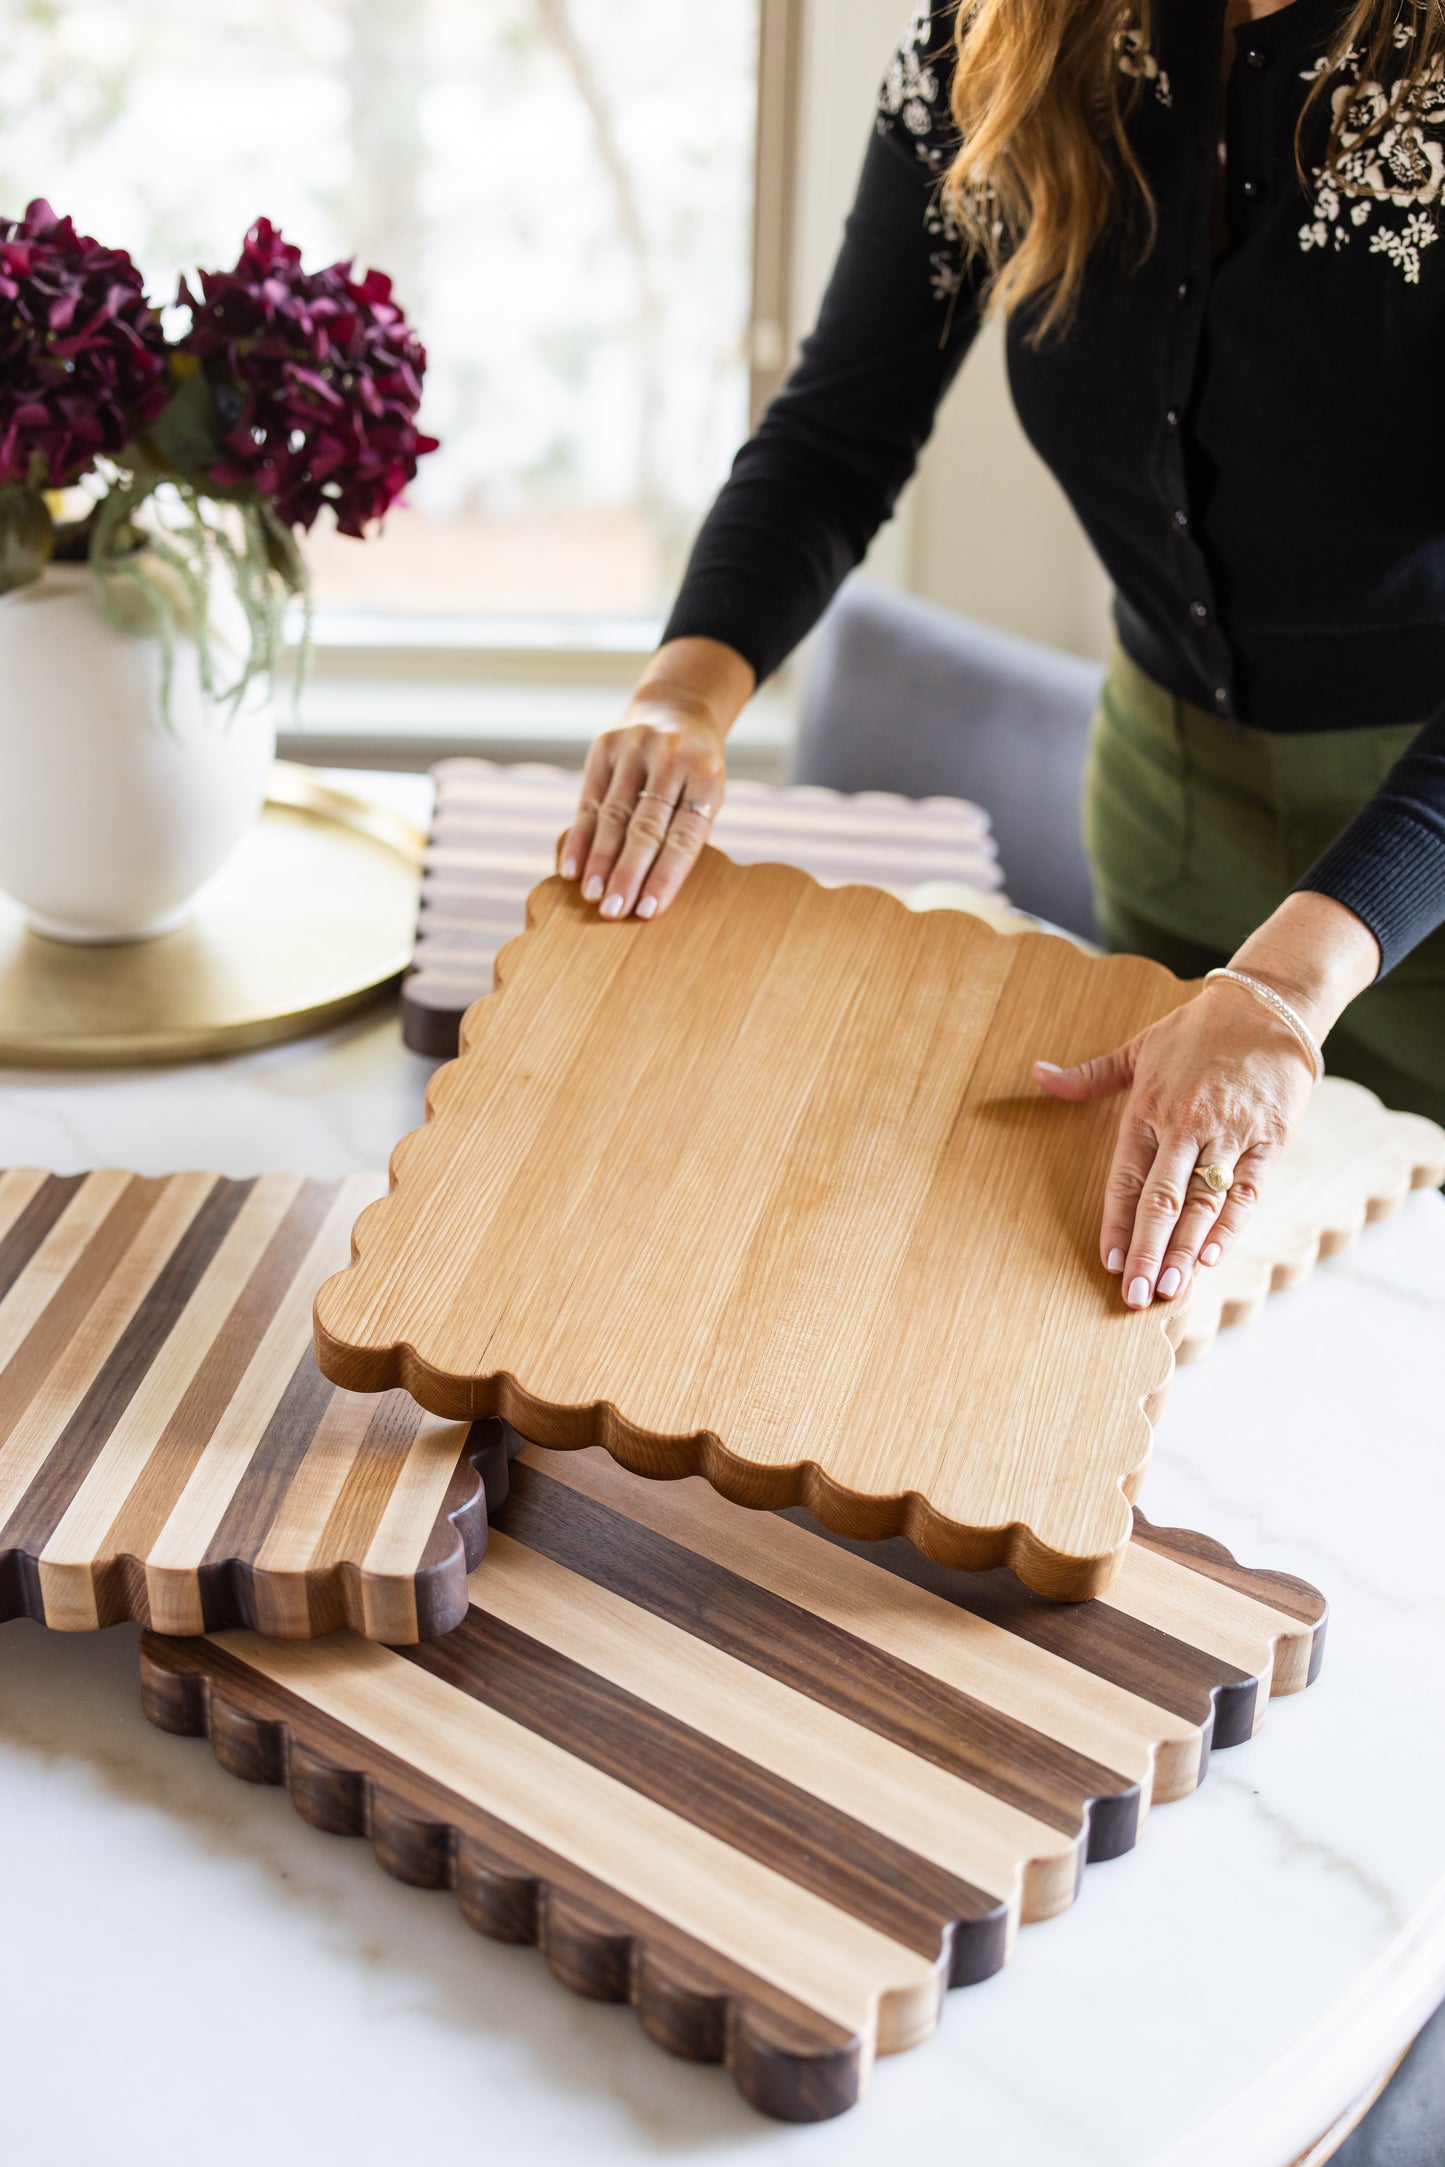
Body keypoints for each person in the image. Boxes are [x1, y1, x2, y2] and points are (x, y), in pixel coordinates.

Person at [558, 0, 1445, 1319]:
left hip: (1421, 839)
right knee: (1150, 1310)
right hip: (1166, 805)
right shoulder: (1000, 34)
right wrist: (686, 693)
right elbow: (835, 433)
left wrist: (1281, 983)